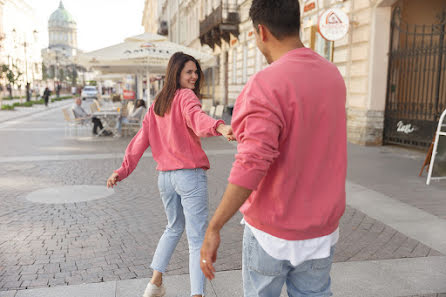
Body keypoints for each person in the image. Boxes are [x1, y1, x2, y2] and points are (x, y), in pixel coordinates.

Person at [199, 1, 347, 296]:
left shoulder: (264, 85)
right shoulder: (333, 76)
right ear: (298, 23)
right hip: (321, 230)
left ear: (261, 31)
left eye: (253, 36)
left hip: (271, 231)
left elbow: (251, 164)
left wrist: (214, 226)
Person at [106, 52, 234, 297]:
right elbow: (197, 118)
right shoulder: (186, 96)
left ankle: (155, 284)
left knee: (173, 227)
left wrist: (121, 171)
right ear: (176, 73)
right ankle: (197, 295)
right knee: (196, 239)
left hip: (165, 179)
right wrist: (220, 126)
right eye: (189, 72)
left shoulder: (157, 105)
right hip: (189, 176)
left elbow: (139, 142)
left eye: (196, 72)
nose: (195, 76)